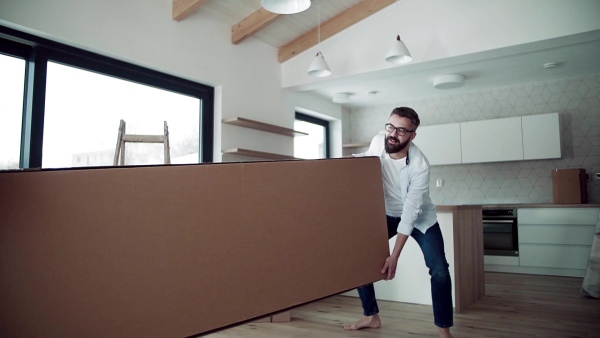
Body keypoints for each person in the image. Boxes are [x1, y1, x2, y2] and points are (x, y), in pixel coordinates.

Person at [344, 107, 454, 338]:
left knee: (440, 270)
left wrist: (394, 256)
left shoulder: (419, 166)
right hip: (386, 214)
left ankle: (443, 329)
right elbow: (368, 159)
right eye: (391, 127)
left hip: (420, 218)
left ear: (412, 135)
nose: (393, 134)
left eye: (402, 130)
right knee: (356, 255)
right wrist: (339, 162)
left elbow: (410, 214)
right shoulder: (378, 141)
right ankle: (370, 315)